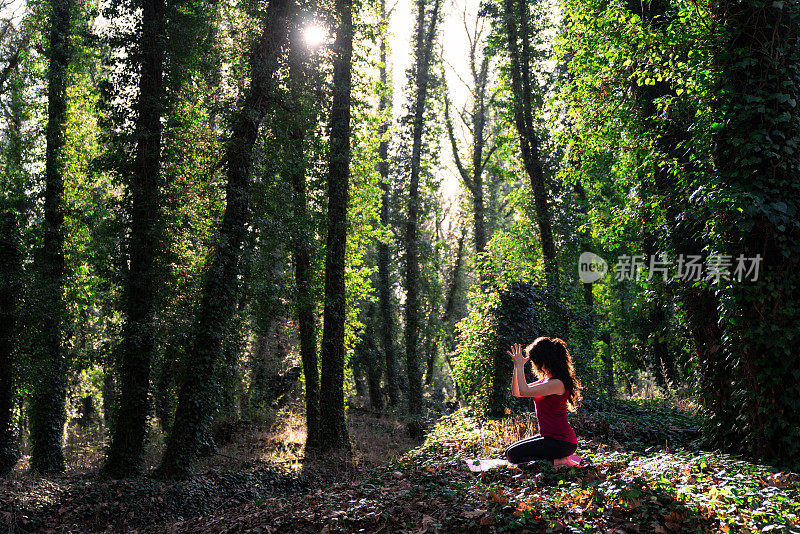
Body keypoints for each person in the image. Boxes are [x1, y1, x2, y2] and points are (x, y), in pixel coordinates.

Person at [504, 336, 582, 468]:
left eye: (536, 361)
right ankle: (561, 459)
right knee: (509, 452)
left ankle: (560, 462)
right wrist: (517, 367)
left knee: (513, 455)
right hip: (549, 437)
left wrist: (519, 365)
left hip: (562, 442)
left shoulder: (557, 384)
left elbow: (524, 391)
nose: (535, 365)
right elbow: (517, 392)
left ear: (545, 360)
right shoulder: (545, 381)